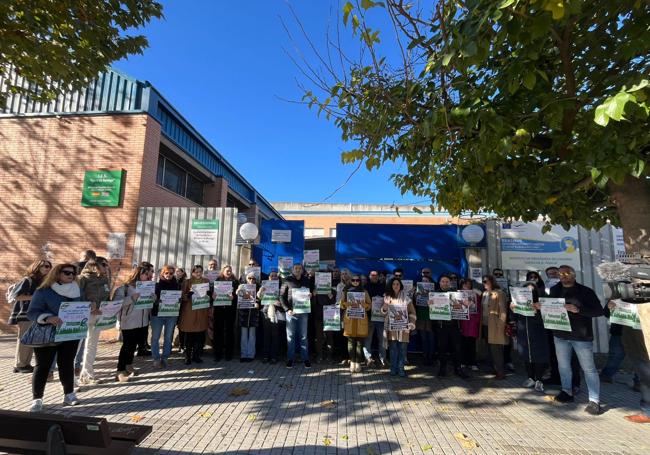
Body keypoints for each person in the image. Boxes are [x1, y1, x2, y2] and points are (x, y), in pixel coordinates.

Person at [27, 263, 83, 411]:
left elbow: (81, 308)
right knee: (43, 366)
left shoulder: (77, 290)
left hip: (70, 334)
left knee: (66, 364)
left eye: (73, 273)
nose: (71, 276)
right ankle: (37, 399)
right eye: (67, 273)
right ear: (57, 274)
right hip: (47, 334)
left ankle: (69, 395)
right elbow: (31, 313)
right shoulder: (43, 291)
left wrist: (91, 309)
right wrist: (47, 318)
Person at [550, 265, 604, 415]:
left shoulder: (586, 292)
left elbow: (599, 311)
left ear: (574, 275)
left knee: (589, 369)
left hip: (581, 336)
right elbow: (549, 308)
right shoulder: (554, 290)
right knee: (563, 366)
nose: (563, 276)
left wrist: (579, 310)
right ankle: (567, 391)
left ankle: (594, 400)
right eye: (560, 274)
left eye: (567, 273)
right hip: (560, 335)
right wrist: (538, 306)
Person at [8, 259, 52, 374]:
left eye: (49, 267)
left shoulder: (44, 282)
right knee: (24, 339)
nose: (48, 268)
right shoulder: (27, 280)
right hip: (25, 314)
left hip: (38, 314)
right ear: (37, 267)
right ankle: (20, 365)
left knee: (31, 340)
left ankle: (26, 364)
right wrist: (35, 297)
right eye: (45, 266)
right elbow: (16, 296)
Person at [114, 264, 152, 382]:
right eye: (146, 273)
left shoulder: (148, 287)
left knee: (134, 345)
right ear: (138, 274)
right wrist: (131, 298)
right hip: (129, 321)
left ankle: (129, 365)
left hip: (142, 321)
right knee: (127, 346)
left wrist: (152, 298)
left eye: (150, 273)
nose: (149, 276)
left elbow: (147, 303)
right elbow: (117, 303)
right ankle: (120, 371)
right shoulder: (124, 288)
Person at [513, 275, 549, 392]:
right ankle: (530, 377)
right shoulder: (518, 301)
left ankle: (539, 379)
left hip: (538, 332)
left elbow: (548, 317)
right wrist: (512, 309)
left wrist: (538, 310)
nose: (529, 292)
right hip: (523, 333)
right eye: (526, 290)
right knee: (526, 355)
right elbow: (514, 317)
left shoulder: (542, 301)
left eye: (532, 290)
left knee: (538, 356)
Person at [77, 259, 109, 384]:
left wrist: (105, 307)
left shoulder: (104, 279)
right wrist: (88, 305)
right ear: (94, 266)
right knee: (77, 345)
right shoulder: (82, 279)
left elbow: (107, 296)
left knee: (92, 344)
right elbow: (77, 297)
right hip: (83, 315)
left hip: (98, 315)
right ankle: (71, 377)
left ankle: (87, 373)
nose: (107, 267)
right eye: (104, 265)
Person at [434, 275, 468, 378]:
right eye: (443, 281)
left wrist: (466, 304)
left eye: (447, 281)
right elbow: (433, 309)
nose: (445, 283)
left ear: (450, 283)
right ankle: (442, 369)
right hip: (441, 326)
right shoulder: (435, 294)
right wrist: (430, 303)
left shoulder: (456, 293)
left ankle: (458, 369)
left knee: (457, 348)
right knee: (442, 348)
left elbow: (463, 306)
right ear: (439, 283)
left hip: (454, 326)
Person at [381, 278, 416, 377]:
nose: (396, 286)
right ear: (391, 286)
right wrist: (384, 307)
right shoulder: (387, 297)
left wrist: (412, 323)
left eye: (397, 284)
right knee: (393, 349)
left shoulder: (406, 298)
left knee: (402, 349)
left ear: (400, 286)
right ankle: (393, 368)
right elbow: (383, 313)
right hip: (392, 328)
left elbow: (412, 312)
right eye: (394, 284)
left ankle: (401, 369)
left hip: (404, 329)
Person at [280, 263, 313, 369]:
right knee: (290, 337)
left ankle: (305, 359)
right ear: (292, 270)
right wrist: (287, 309)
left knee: (303, 336)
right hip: (291, 313)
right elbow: (281, 296)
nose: (298, 270)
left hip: (303, 312)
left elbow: (311, 293)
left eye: (299, 268)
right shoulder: (287, 280)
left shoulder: (307, 280)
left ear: (302, 270)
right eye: (296, 268)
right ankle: (290, 359)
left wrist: (310, 295)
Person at [151, 265, 182, 368]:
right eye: (166, 273)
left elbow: (179, 300)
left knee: (168, 338)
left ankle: (165, 358)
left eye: (171, 273)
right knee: (155, 337)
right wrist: (156, 301)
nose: (168, 275)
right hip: (157, 315)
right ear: (162, 273)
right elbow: (152, 301)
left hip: (171, 315)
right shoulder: (156, 285)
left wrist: (178, 300)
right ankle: (156, 359)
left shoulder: (176, 285)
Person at [179, 265, 210, 365]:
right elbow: (181, 296)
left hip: (201, 311)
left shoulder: (206, 281)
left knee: (199, 335)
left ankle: (196, 356)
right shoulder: (187, 282)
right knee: (189, 336)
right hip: (189, 312)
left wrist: (208, 294)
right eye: (196, 271)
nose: (198, 273)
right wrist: (188, 295)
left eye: (200, 271)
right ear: (192, 272)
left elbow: (208, 295)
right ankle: (187, 356)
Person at [340, 275, 371, 373]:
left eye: (357, 280)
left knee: (359, 342)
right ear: (351, 281)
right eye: (353, 280)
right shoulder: (346, 291)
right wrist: (347, 304)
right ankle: (352, 362)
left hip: (360, 320)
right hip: (350, 320)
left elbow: (369, 305)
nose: (355, 281)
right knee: (350, 342)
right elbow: (341, 304)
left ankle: (358, 362)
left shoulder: (364, 292)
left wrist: (363, 305)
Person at [481, 275, 509, 380]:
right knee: (489, 348)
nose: (484, 283)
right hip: (485, 324)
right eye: (483, 282)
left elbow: (503, 310)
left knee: (496, 349)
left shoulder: (499, 293)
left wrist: (501, 326)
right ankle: (493, 368)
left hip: (495, 325)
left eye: (486, 281)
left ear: (492, 282)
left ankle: (501, 371)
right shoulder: (484, 294)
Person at [212, 264, 238, 361]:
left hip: (230, 310)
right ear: (223, 271)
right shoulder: (217, 281)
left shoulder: (235, 282)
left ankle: (228, 354)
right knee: (218, 331)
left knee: (229, 331)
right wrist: (213, 296)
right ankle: (217, 354)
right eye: (227, 270)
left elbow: (238, 295)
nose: (228, 272)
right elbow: (212, 294)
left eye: (230, 270)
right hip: (219, 310)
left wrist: (234, 297)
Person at [258, 270, 284, 364]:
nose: (273, 277)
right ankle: (265, 356)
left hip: (276, 313)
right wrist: (261, 291)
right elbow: (259, 297)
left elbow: (285, 300)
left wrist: (279, 303)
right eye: (271, 276)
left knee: (275, 335)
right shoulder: (264, 285)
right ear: (268, 277)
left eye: (275, 276)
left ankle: (274, 356)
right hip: (265, 312)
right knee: (266, 335)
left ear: (278, 278)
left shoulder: (281, 287)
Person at [363, 270, 387, 367]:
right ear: (369, 276)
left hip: (381, 317)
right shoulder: (365, 287)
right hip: (369, 317)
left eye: (376, 275)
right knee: (368, 339)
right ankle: (368, 358)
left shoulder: (383, 287)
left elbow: (387, 300)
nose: (374, 276)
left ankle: (383, 359)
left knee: (382, 339)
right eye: (372, 275)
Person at [236, 272, 260, 362]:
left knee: (252, 335)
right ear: (246, 279)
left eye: (253, 279)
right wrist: (238, 290)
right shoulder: (242, 286)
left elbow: (260, 298)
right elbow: (238, 293)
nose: (251, 280)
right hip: (244, 315)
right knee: (244, 335)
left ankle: (250, 355)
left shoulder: (258, 288)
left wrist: (258, 303)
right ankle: (243, 355)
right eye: (249, 278)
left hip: (254, 315)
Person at [459, 278, 481, 372]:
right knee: (463, 343)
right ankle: (463, 362)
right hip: (462, 321)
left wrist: (476, 320)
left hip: (472, 322)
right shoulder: (458, 294)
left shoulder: (476, 294)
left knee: (472, 343)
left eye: (468, 285)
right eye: (464, 285)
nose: (467, 286)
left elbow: (479, 308)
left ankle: (473, 363)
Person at [414, 272, 436, 365]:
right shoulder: (417, 291)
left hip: (431, 317)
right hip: (421, 316)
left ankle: (431, 355)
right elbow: (413, 303)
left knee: (431, 338)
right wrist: (415, 294)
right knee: (423, 338)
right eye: (423, 281)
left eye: (426, 281)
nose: (424, 283)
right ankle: (425, 355)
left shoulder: (435, 292)